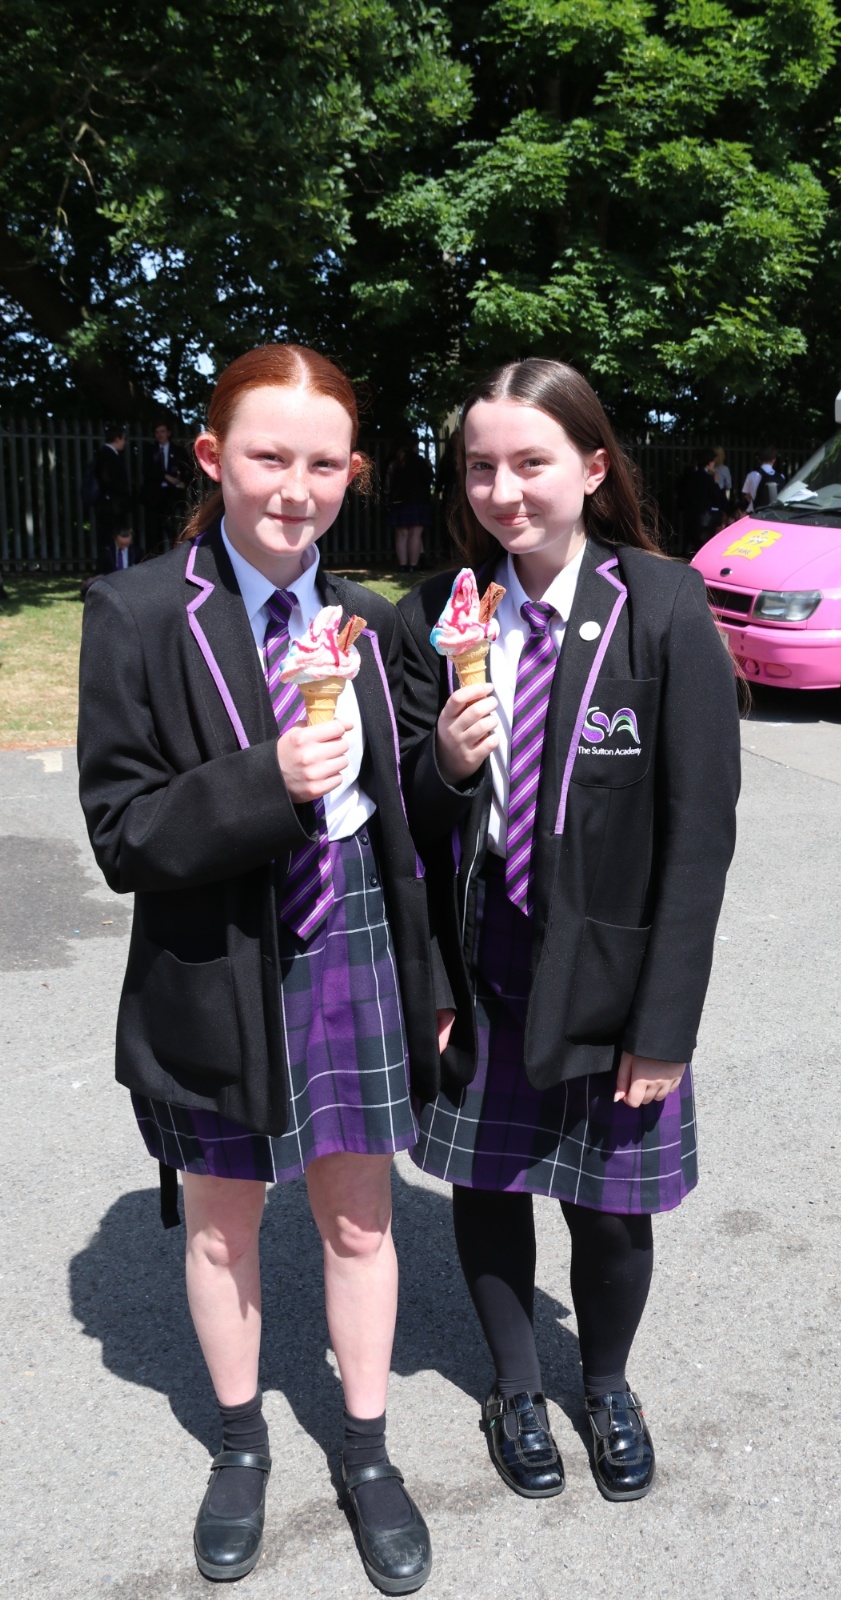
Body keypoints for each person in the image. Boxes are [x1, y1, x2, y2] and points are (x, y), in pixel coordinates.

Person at [78, 345, 442, 1594]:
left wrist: (451, 761)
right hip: (215, 957)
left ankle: (367, 1450)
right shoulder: (136, 613)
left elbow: (409, 818)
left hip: (353, 941)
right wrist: (266, 782)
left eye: (324, 463)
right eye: (268, 456)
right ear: (211, 457)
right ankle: (240, 1444)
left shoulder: (370, 623)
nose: (296, 487)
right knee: (226, 1225)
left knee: (359, 1217)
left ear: (355, 471)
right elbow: (121, 833)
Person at [398, 359, 740, 1505]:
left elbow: (699, 835)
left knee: (611, 1204)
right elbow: (404, 820)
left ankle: (603, 1384)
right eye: (479, 466)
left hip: (613, 972)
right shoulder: (440, 615)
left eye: (530, 462)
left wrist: (664, 1025)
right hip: (483, 962)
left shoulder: (662, 605)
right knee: (487, 1183)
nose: (502, 491)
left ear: (592, 468)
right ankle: (511, 1386)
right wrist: (446, 762)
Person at [143, 419, 193, 548]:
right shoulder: (150, 451)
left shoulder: (178, 451)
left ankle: (175, 554)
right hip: (155, 495)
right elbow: (148, 471)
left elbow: (189, 469)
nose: (160, 434)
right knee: (154, 531)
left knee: (174, 528)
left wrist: (184, 483)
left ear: (168, 433)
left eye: (162, 431)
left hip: (173, 495)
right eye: (157, 432)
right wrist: (166, 477)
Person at [386, 440, 433, 571]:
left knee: (401, 535)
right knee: (415, 534)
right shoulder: (420, 461)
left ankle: (403, 566)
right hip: (418, 501)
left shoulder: (394, 463)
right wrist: (429, 467)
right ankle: (413, 566)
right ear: (414, 446)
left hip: (399, 502)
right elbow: (428, 479)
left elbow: (387, 485)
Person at [93, 423, 131, 543]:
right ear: (116, 439)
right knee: (111, 536)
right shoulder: (108, 455)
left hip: (111, 503)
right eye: (123, 438)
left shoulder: (108, 454)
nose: (124, 442)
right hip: (111, 505)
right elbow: (107, 479)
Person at [741, 447, 787, 514]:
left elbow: (747, 496)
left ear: (759, 460)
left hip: (756, 513)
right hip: (776, 515)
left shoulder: (752, 475)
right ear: (774, 460)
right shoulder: (781, 477)